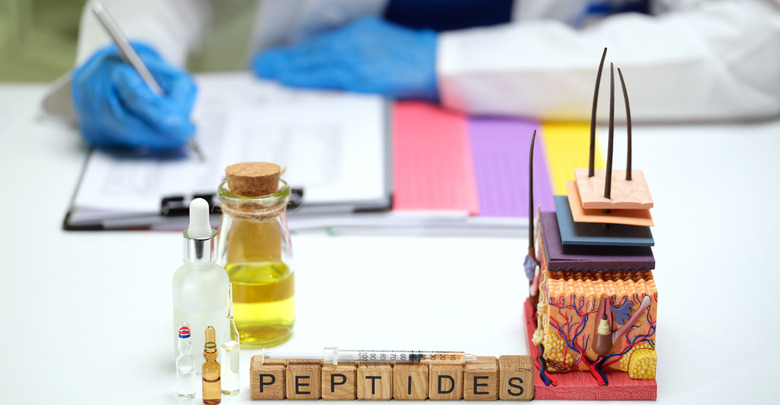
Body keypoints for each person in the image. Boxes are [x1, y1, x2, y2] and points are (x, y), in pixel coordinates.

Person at [44, 0, 780, 151]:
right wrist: (127, 50)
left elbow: (755, 44)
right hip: (309, 116)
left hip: (519, 132)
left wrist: (447, 63)